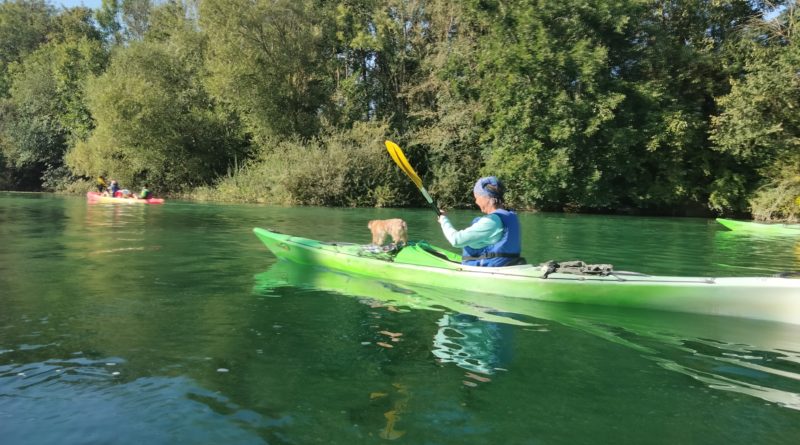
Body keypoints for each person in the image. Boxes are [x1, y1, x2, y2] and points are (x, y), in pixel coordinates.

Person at [437, 176, 523, 267]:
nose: (476, 202)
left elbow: (456, 240)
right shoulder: (510, 216)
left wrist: (443, 220)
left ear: (486, 197)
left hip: (492, 272)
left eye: (477, 197)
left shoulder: (492, 221)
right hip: (507, 266)